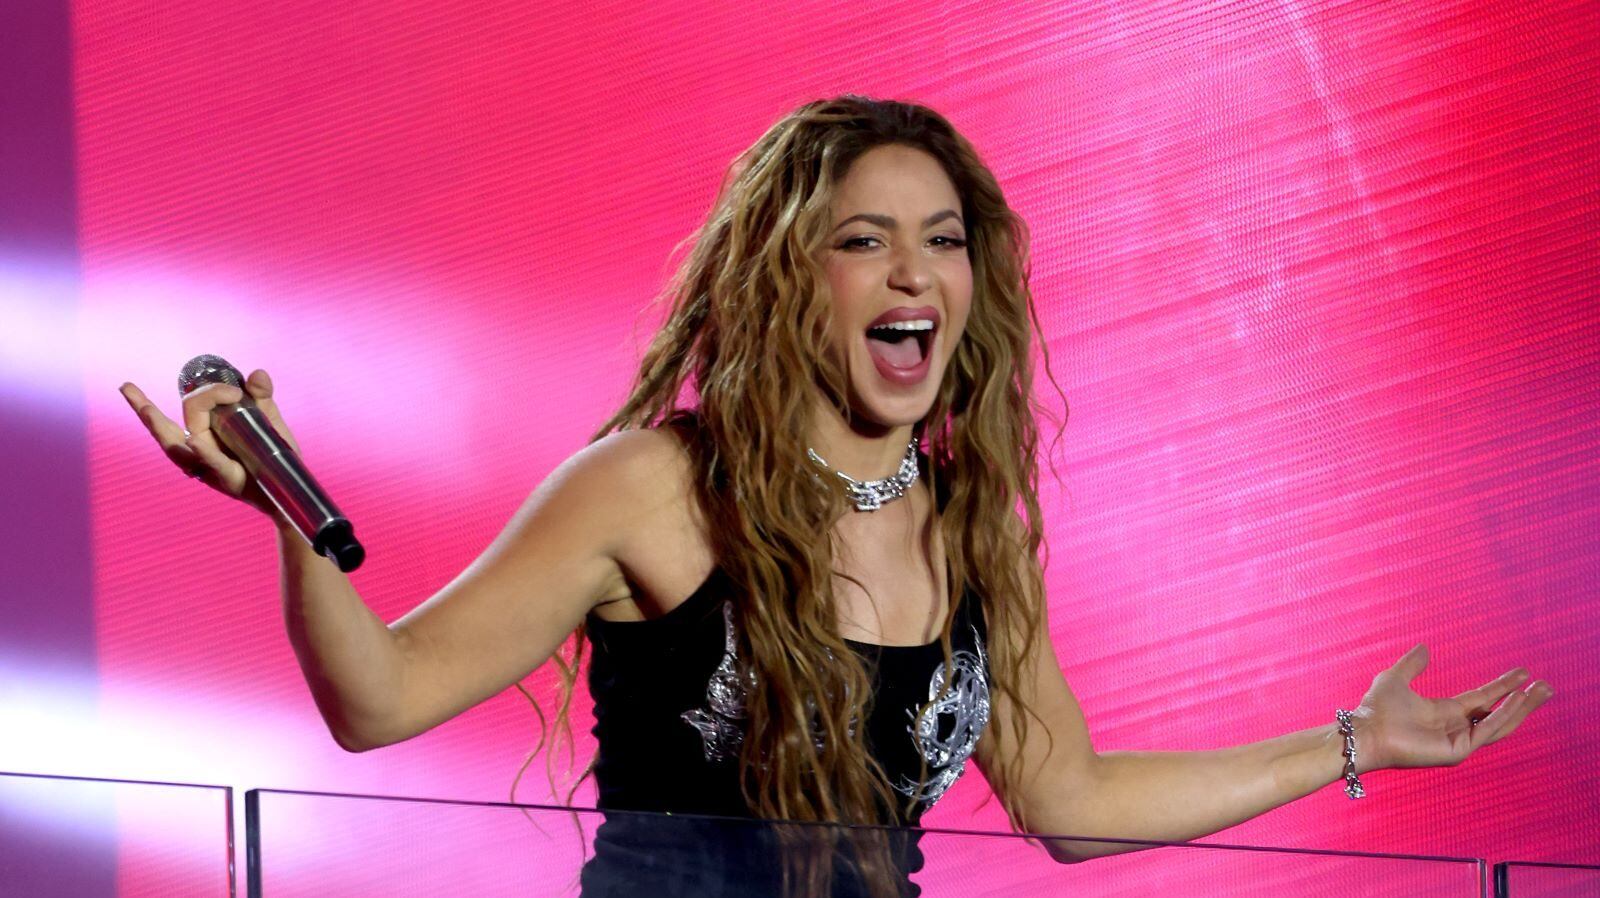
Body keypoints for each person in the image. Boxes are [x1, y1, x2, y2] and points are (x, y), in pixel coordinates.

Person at [119, 96, 1555, 898]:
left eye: (943, 239)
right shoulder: (652, 486)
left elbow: (1069, 797)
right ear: (787, 275)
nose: (915, 273)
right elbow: (377, 697)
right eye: (865, 241)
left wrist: (1359, 739)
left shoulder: (973, 531)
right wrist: (294, 521)